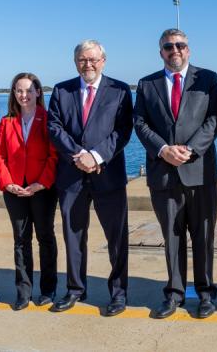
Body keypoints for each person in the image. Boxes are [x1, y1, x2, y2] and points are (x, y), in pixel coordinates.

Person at [134, 28, 217, 319]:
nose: (175, 51)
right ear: (161, 52)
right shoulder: (147, 85)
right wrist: (163, 150)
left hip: (200, 172)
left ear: (189, 49)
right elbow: (140, 123)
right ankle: (174, 294)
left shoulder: (207, 79)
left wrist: (189, 149)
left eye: (181, 45)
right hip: (164, 174)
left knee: (203, 237)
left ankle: (207, 294)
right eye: (169, 47)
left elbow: (215, 119)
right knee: (172, 238)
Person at [47, 40, 133, 317]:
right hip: (72, 177)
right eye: (83, 60)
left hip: (108, 175)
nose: (89, 64)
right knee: (73, 236)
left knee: (117, 238)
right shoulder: (62, 90)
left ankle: (118, 294)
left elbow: (123, 130)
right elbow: (54, 127)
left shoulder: (119, 90)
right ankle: (75, 289)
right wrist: (79, 155)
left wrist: (96, 157)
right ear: (75, 62)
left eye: (94, 59)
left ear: (103, 61)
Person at [0, 72, 59, 311]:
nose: (24, 95)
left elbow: (55, 156)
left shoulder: (48, 118)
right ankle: (23, 291)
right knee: (21, 240)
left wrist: (41, 183)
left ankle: (48, 289)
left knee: (45, 238)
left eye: (29, 90)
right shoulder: (6, 122)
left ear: (38, 92)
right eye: (19, 90)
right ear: (13, 93)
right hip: (14, 190)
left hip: (42, 189)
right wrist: (7, 183)